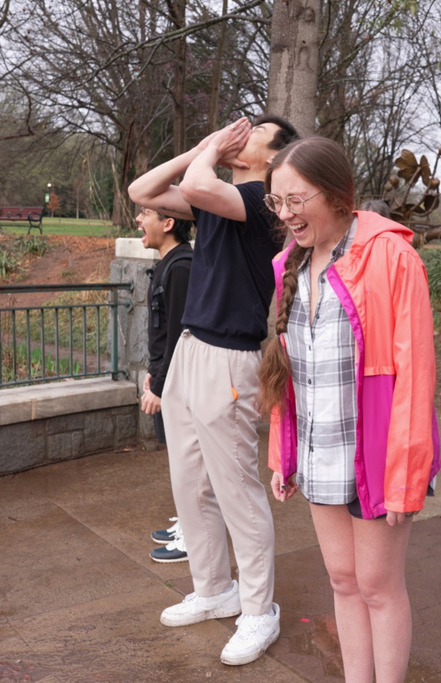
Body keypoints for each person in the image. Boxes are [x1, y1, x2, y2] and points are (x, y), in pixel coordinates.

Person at [257, 137, 440, 683]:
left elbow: (415, 376)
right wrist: (283, 454)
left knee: (379, 587)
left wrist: (406, 474)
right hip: (321, 451)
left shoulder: (392, 257)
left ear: (337, 194)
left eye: (296, 200)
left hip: (379, 456)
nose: (285, 214)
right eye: (276, 202)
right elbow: (288, 372)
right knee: (342, 581)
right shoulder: (288, 265)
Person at [127, 114, 299, 666]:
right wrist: (203, 146)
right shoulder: (215, 198)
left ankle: (258, 610)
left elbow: (201, 185)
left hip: (230, 357)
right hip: (191, 348)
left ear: (272, 160)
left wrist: (210, 151)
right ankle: (213, 589)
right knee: (191, 483)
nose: (240, 137)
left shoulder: (261, 203)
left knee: (236, 491)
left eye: (254, 135)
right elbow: (142, 191)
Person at [135, 206, 194, 564]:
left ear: (168, 223)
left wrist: (159, 385)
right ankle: (189, 523)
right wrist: (152, 371)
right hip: (167, 376)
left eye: (145, 213)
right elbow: (162, 329)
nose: (138, 220)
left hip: (180, 384)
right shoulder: (168, 265)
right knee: (179, 459)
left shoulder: (182, 267)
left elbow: (179, 335)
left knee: (190, 464)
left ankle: (194, 537)